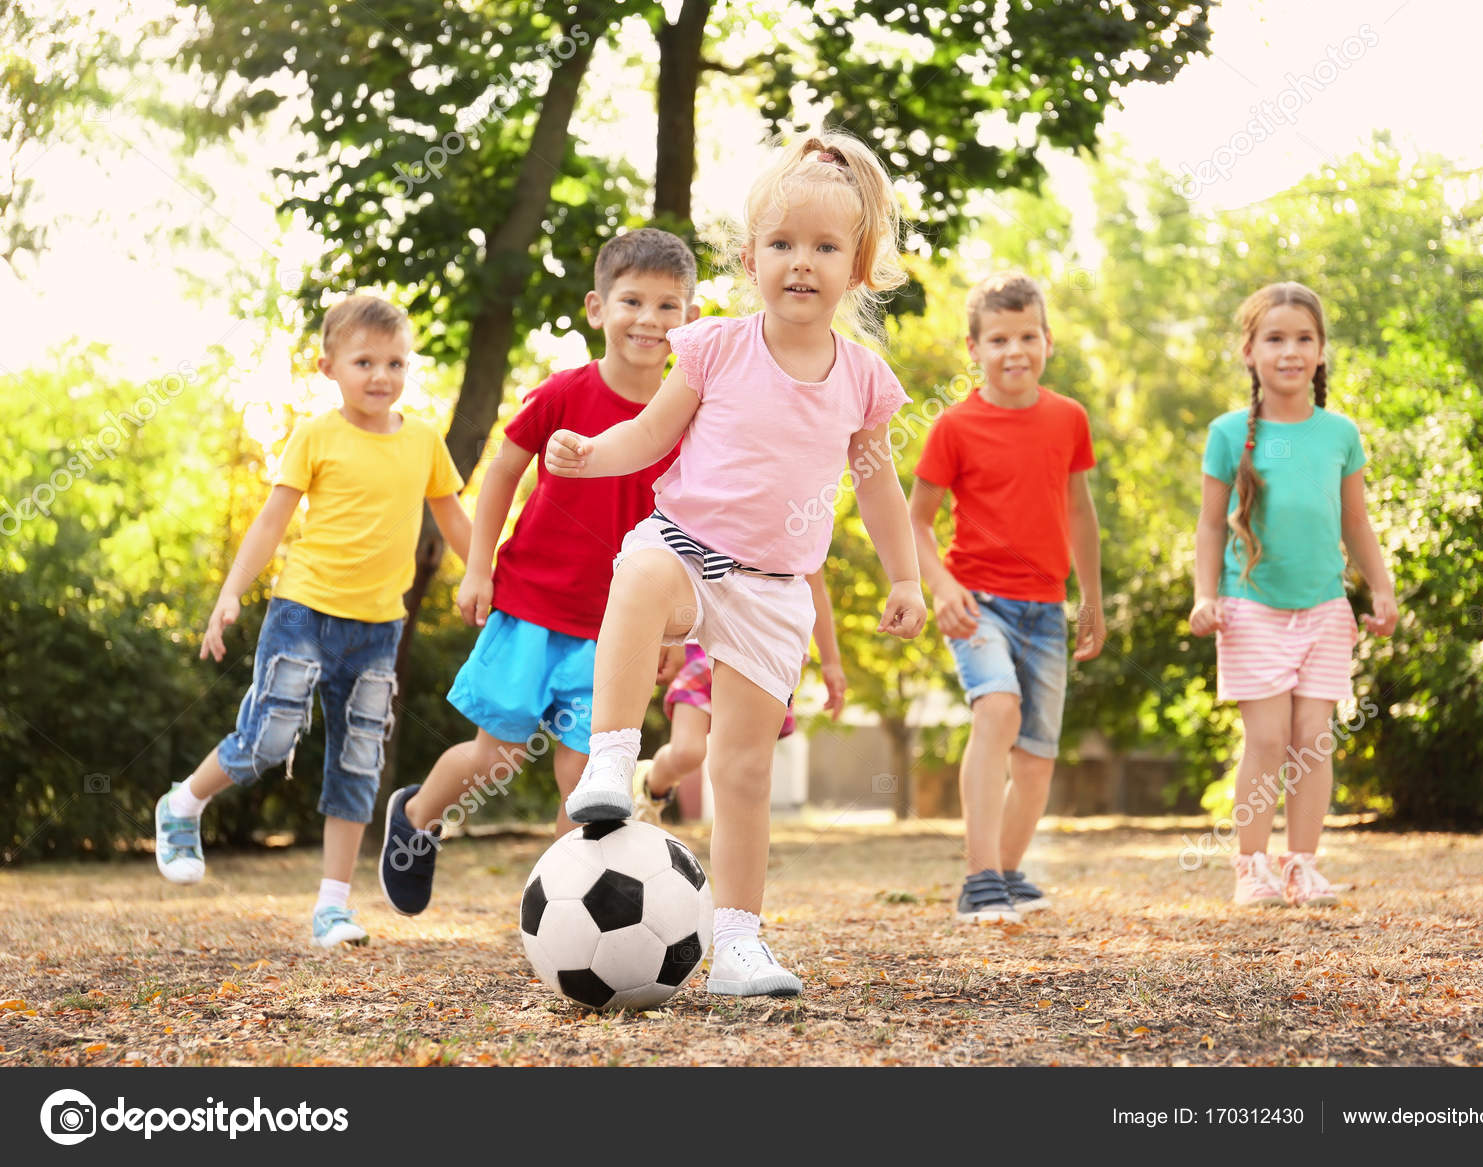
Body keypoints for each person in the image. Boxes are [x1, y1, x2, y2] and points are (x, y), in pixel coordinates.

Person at [545, 131, 927, 997]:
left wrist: (906, 576)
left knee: (743, 768)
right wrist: (588, 455)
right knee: (636, 574)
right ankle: (612, 759)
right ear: (750, 255)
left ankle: (740, 944)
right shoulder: (715, 346)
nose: (802, 263)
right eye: (783, 244)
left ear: (858, 265)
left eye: (825, 247)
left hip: (773, 588)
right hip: (684, 545)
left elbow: (877, 489)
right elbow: (649, 435)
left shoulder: (863, 379)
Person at [377, 228, 700, 916]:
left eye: (668, 306)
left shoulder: (689, 415)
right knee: (494, 757)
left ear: (691, 319)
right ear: (596, 308)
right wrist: (479, 569)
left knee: (586, 779)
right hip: (530, 603)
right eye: (632, 301)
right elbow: (499, 473)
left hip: (619, 627)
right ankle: (415, 817)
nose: (649, 319)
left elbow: (688, 526)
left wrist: (674, 627)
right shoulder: (564, 392)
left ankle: (562, 915)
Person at [154, 295, 470, 948]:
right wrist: (230, 593)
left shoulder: (424, 441)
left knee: (357, 761)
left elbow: (455, 520)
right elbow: (271, 520)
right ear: (329, 366)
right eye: (364, 361)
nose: (380, 375)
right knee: (269, 737)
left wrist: (493, 575)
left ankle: (333, 906)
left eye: (394, 362)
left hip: (378, 627)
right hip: (303, 613)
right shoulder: (316, 435)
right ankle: (183, 802)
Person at [1189, 281, 1397, 907]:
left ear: (1322, 351)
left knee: (1314, 739)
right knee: (1269, 740)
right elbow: (1207, 524)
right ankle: (1251, 867)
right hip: (1251, 606)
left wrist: (1379, 588)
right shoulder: (1229, 433)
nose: (1290, 351)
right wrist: (1205, 595)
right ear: (1249, 351)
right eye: (1275, 338)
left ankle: (1301, 866)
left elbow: (1355, 521)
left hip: (1325, 609)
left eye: (1304, 338)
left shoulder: (1339, 433)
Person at [910, 272, 1104, 925]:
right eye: (998, 339)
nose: (1014, 350)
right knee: (997, 710)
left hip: (1048, 608)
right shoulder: (954, 426)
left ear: (1047, 340)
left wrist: (1094, 601)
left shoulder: (1068, 418)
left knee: (1038, 760)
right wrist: (940, 587)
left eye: (1027, 336)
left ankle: (1009, 873)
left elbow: (1080, 511)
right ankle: (979, 877)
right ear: (974, 347)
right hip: (977, 601)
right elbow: (914, 521)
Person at [634, 571, 847, 823]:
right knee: (687, 752)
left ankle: (739, 841)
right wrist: (670, 635)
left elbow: (816, 591)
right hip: (702, 648)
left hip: (765, 654)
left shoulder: (803, 539)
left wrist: (831, 662)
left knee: (743, 768)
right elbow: (681, 563)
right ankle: (649, 785)